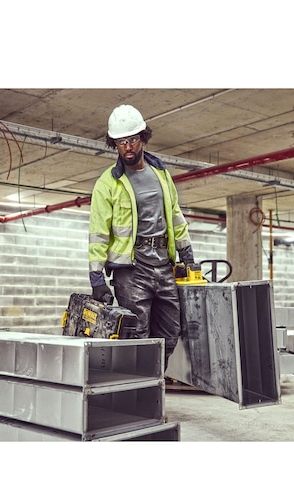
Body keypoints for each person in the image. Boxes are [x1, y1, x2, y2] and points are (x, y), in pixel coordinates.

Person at [88, 104, 195, 370]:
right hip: (132, 270)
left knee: (171, 333)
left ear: (142, 138)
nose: (128, 147)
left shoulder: (161, 174)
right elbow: (98, 233)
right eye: (121, 142)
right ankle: (141, 394)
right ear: (114, 144)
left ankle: (154, 382)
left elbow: (175, 215)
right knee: (138, 334)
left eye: (132, 140)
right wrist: (96, 277)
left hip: (164, 266)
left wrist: (187, 254)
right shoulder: (107, 183)